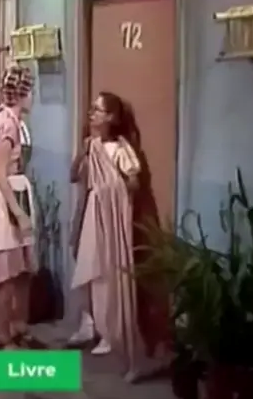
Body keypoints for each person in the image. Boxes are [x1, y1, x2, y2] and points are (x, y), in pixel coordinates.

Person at [68, 91, 147, 381]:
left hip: (112, 217)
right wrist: (82, 153)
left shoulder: (121, 148)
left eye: (97, 110)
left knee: (114, 275)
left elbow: (134, 183)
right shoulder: (91, 146)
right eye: (91, 109)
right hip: (92, 213)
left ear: (111, 117)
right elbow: (74, 176)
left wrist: (112, 189)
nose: (91, 114)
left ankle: (122, 342)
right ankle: (95, 325)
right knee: (90, 271)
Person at [0, 64, 39, 350]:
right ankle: (2, 332)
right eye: (31, 91)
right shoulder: (7, 125)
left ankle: (20, 325)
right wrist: (18, 212)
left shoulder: (17, 121)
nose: (33, 97)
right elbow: (1, 173)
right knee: (7, 273)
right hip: (7, 199)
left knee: (23, 270)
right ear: (23, 93)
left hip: (18, 191)